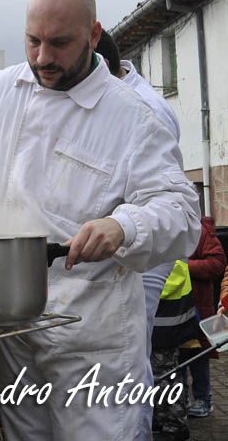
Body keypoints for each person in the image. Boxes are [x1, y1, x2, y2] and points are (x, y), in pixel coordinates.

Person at [0, 0, 201, 440]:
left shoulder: (134, 117)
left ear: (93, 36)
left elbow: (183, 214)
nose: (43, 58)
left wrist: (123, 225)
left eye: (60, 43)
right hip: (15, 326)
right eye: (33, 41)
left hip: (93, 341)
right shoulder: (3, 89)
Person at [95, 29, 182, 439]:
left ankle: (136, 430)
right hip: (118, 240)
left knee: (129, 350)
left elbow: (165, 199)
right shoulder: (114, 92)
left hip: (143, 251)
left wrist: (121, 227)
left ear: (100, 68)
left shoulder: (145, 109)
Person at [150, 260, 199, 441]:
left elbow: (163, 283)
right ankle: (159, 418)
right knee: (157, 376)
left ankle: (175, 426)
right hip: (164, 325)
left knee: (166, 377)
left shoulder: (169, 253)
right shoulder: (169, 248)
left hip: (166, 326)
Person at [183, 216, 226, 418]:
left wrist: (183, 268)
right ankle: (178, 401)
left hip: (195, 305)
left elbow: (217, 264)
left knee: (197, 354)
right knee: (173, 355)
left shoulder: (200, 229)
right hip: (166, 308)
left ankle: (203, 399)